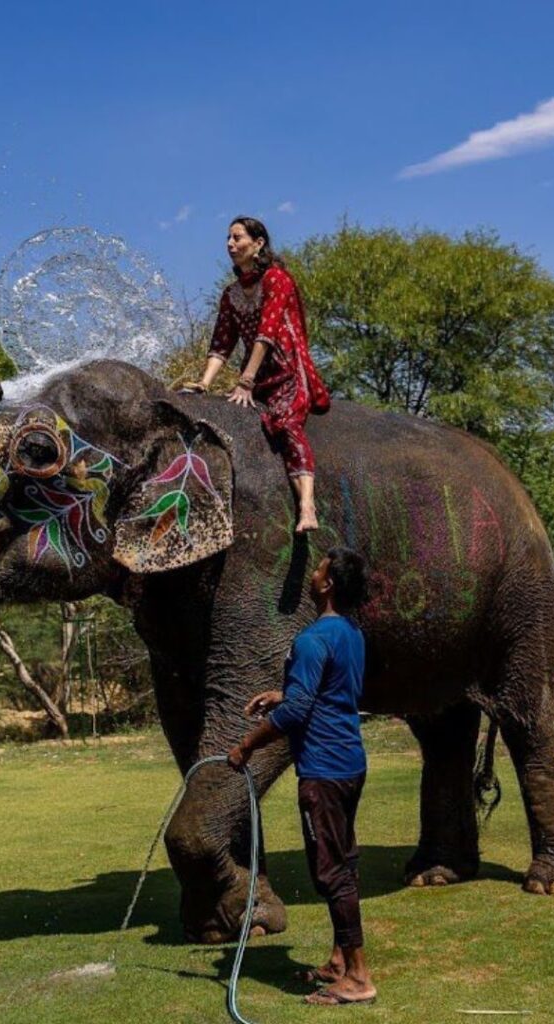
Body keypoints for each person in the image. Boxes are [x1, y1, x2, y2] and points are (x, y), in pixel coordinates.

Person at [227, 547, 376, 1007]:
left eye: (319, 569)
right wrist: (282, 692)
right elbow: (326, 691)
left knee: (331, 873)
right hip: (350, 762)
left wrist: (246, 745)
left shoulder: (313, 638)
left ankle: (358, 977)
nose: (312, 574)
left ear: (328, 584)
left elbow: (297, 713)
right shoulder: (351, 634)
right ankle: (337, 959)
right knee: (344, 864)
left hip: (324, 772)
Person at [179, 217, 330, 533]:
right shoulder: (230, 293)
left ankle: (307, 505)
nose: (230, 245)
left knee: (286, 422)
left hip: (287, 371)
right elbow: (221, 343)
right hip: (256, 372)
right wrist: (204, 383)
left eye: (237, 238)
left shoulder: (278, 280)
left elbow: (267, 332)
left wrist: (245, 381)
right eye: (228, 239)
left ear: (258, 243)